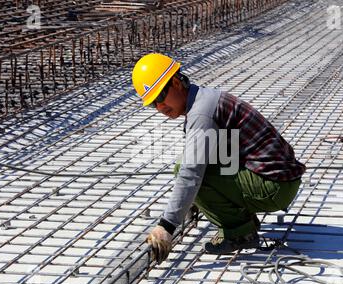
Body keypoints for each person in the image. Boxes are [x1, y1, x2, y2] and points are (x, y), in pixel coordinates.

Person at [131, 53, 306, 264]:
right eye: (153, 104)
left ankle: (241, 233)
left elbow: (191, 173)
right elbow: (217, 154)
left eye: (160, 97)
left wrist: (167, 225)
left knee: (187, 171)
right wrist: (196, 201)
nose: (159, 108)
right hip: (279, 179)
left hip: (275, 187)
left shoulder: (201, 114)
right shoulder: (204, 98)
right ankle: (242, 220)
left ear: (176, 83)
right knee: (196, 166)